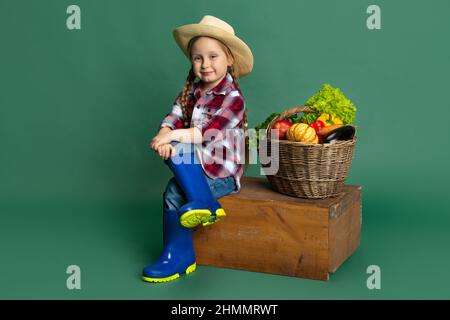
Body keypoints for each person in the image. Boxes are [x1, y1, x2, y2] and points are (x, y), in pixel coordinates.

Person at [142, 15, 254, 283]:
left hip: (220, 175)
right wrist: (163, 133)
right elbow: (173, 116)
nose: (205, 65)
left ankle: (205, 201)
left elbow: (207, 133)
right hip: (195, 167)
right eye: (198, 58)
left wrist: (174, 137)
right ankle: (179, 255)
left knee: (179, 155)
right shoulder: (191, 91)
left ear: (229, 60)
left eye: (213, 56)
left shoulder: (233, 99)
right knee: (172, 190)